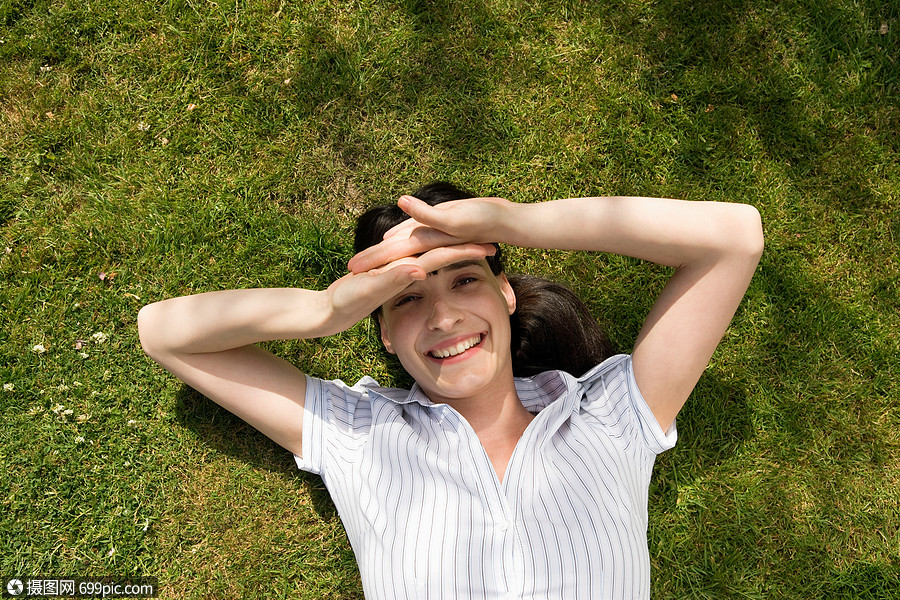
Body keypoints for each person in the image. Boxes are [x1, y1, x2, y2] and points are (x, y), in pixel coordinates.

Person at [137, 183, 763, 599]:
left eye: (464, 280)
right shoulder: (361, 435)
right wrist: (323, 311)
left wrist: (515, 221)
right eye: (405, 298)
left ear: (506, 294)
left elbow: (734, 237)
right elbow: (164, 332)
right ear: (381, 331)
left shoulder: (609, 417)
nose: (442, 318)